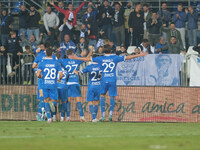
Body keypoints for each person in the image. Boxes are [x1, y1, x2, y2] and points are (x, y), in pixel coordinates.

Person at [68, 44, 147, 121]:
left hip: (104, 80)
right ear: (111, 50)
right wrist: (139, 55)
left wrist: (76, 57)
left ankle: (102, 116)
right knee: (112, 97)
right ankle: (110, 115)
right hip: (112, 79)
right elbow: (128, 57)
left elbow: (87, 59)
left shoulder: (100, 58)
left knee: (102, 96)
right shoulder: (115, 58)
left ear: (103, 51)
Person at [60, 49, 89, 122]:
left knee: (68, 101)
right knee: (79, 101)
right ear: (73, 53)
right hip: (75, 83)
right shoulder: (77, 60)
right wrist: (90, 51)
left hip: (68, 83)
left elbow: (56, 62)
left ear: (67, 55)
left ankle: (68, 117)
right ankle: (82, 117)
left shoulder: (64, 61)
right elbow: (87, 59)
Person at [37, 48, 63, 123]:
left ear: (45, 54)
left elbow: (38, 74)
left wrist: (42, 76)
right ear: (52, 54)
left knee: (46, 100)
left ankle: (49, 119)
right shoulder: (56, 63)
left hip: (45, 84)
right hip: (53, 84)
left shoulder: (42, 63)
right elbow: (61, 74)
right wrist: (59, 79)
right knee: (54, 101)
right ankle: (52, 104)